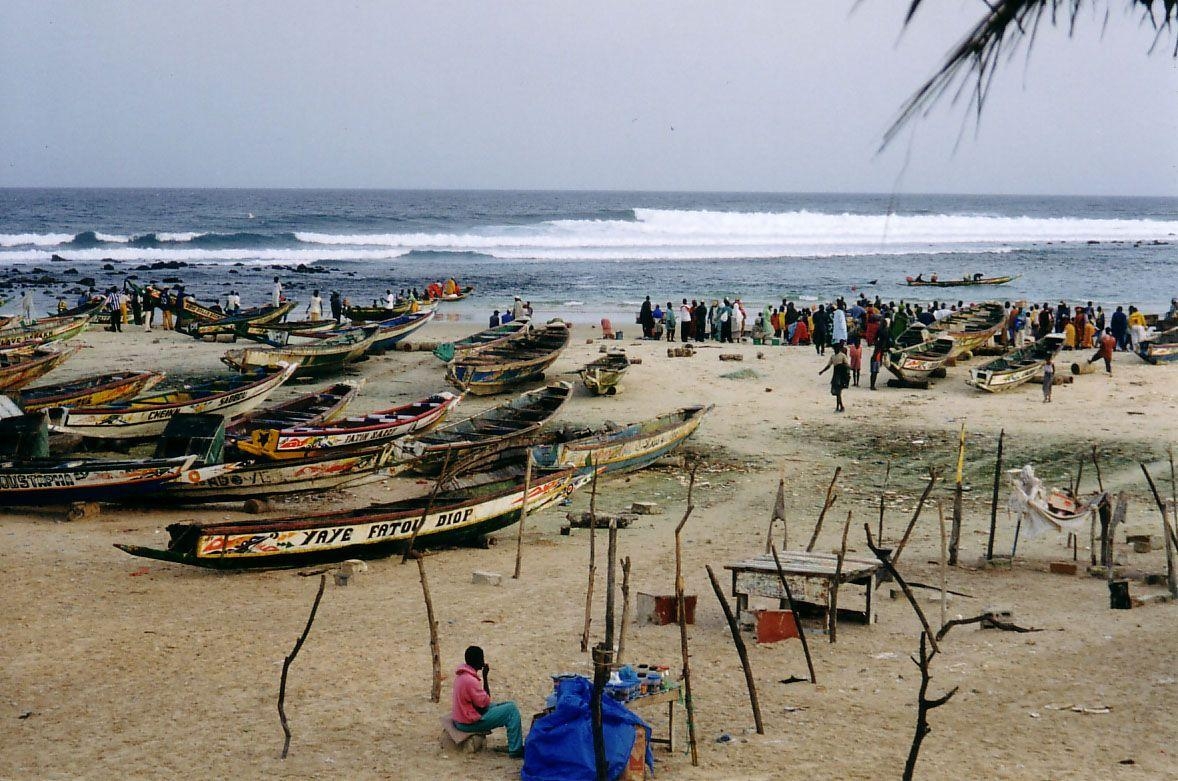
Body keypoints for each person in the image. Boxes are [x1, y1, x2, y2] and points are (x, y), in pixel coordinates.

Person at [451, 646, 523, 758]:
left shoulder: (462, 676)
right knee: (511, 710)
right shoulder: (470, 681)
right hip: (467, 724)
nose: (483, 661)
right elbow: (484, 703)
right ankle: (515, 750)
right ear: (477, 661)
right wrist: (485, 677)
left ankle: (513, 745)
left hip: (461, 718)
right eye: (482, 659)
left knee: (506, 705)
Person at [819, 343, 850, 412]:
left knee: (838, 392)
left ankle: (838, 407)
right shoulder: (833, 356)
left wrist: (847, 374)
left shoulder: (842, 356)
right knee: (837, 393)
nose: (835, 350)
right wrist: (822, 371)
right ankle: (840, 407)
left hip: (841, 374)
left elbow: (847, 365)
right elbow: (829, 365)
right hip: (836, 374)